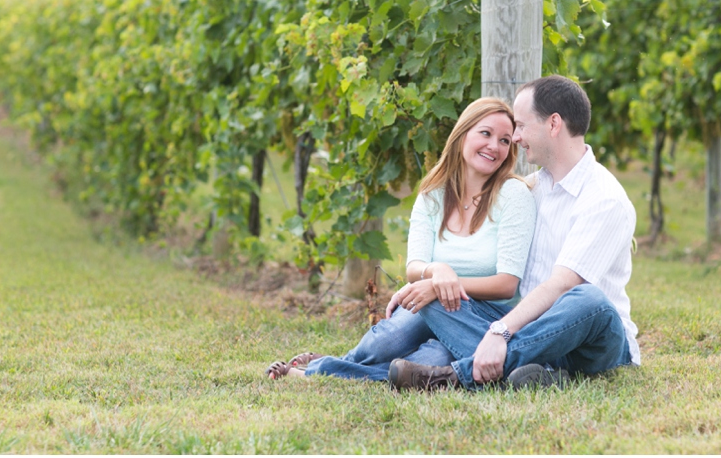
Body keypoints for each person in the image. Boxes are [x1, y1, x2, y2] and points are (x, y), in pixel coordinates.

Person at [388, 74, 640, 391]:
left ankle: (454, 377)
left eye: (521, 126)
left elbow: (563, 286)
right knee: (437, 295)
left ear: (553, 124)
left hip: (590, 342)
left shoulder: (604, 200)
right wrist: (432, 278)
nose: (516, 138)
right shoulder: (533, 188)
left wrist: (500, 332)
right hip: (532, 333)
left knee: (589, 299)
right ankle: (536, 375)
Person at [265, 97, 536, 382]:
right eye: (486, 133)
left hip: (481, 317)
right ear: (462, 134)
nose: (495, 146)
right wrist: (435, 273)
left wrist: (439, 288)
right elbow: (414, 267)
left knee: (432, 360)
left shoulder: (513, 195)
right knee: (389, 341)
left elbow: (507, 285)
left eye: (505, 141)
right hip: (429, 302)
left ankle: (319, 371)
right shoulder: (433, 193)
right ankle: (343, 363)